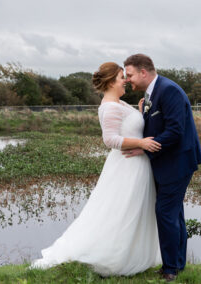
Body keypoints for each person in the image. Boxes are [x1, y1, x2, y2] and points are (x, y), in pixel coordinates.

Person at [30, 62, 162, 276]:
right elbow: (110, 140)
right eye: (122, 78)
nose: (126, 82)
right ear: (110, 82)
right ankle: (112, 256)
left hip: (137, 165)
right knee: (120, 211)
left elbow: (128, 127)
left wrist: (139, 113)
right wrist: (141, 144)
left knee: (133, 210)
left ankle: (133, 253)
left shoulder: (119, 103)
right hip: (126, 166)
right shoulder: (109, 106)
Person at [123, 54, 201, 282]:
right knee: (174, 213)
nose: (128, 80)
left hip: (177, 162)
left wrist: (146, 148)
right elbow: (158, 124)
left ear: (143, 72)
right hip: (166, 161)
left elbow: (175, 131)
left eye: (129, 75)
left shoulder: (169, 90)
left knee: (165, 212)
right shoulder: (152, 93)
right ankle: (177, 263)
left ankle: (170, 269)